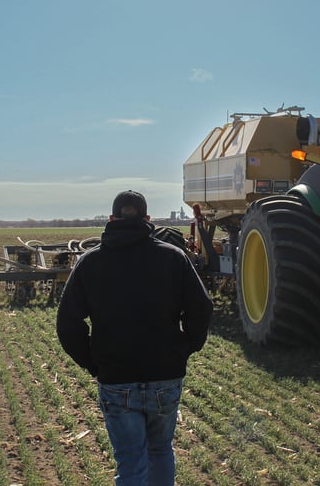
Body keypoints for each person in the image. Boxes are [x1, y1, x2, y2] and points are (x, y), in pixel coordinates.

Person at [56, 190, 213, 485]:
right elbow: (201, 309)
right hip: (165, 376)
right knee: (160, 451)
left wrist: (95, 363)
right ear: (148, 219)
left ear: (112, 219)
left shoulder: (90, 263)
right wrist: (184, 348)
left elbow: (67, 324)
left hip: (116, 378)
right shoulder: (173, 257)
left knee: (131, 461)